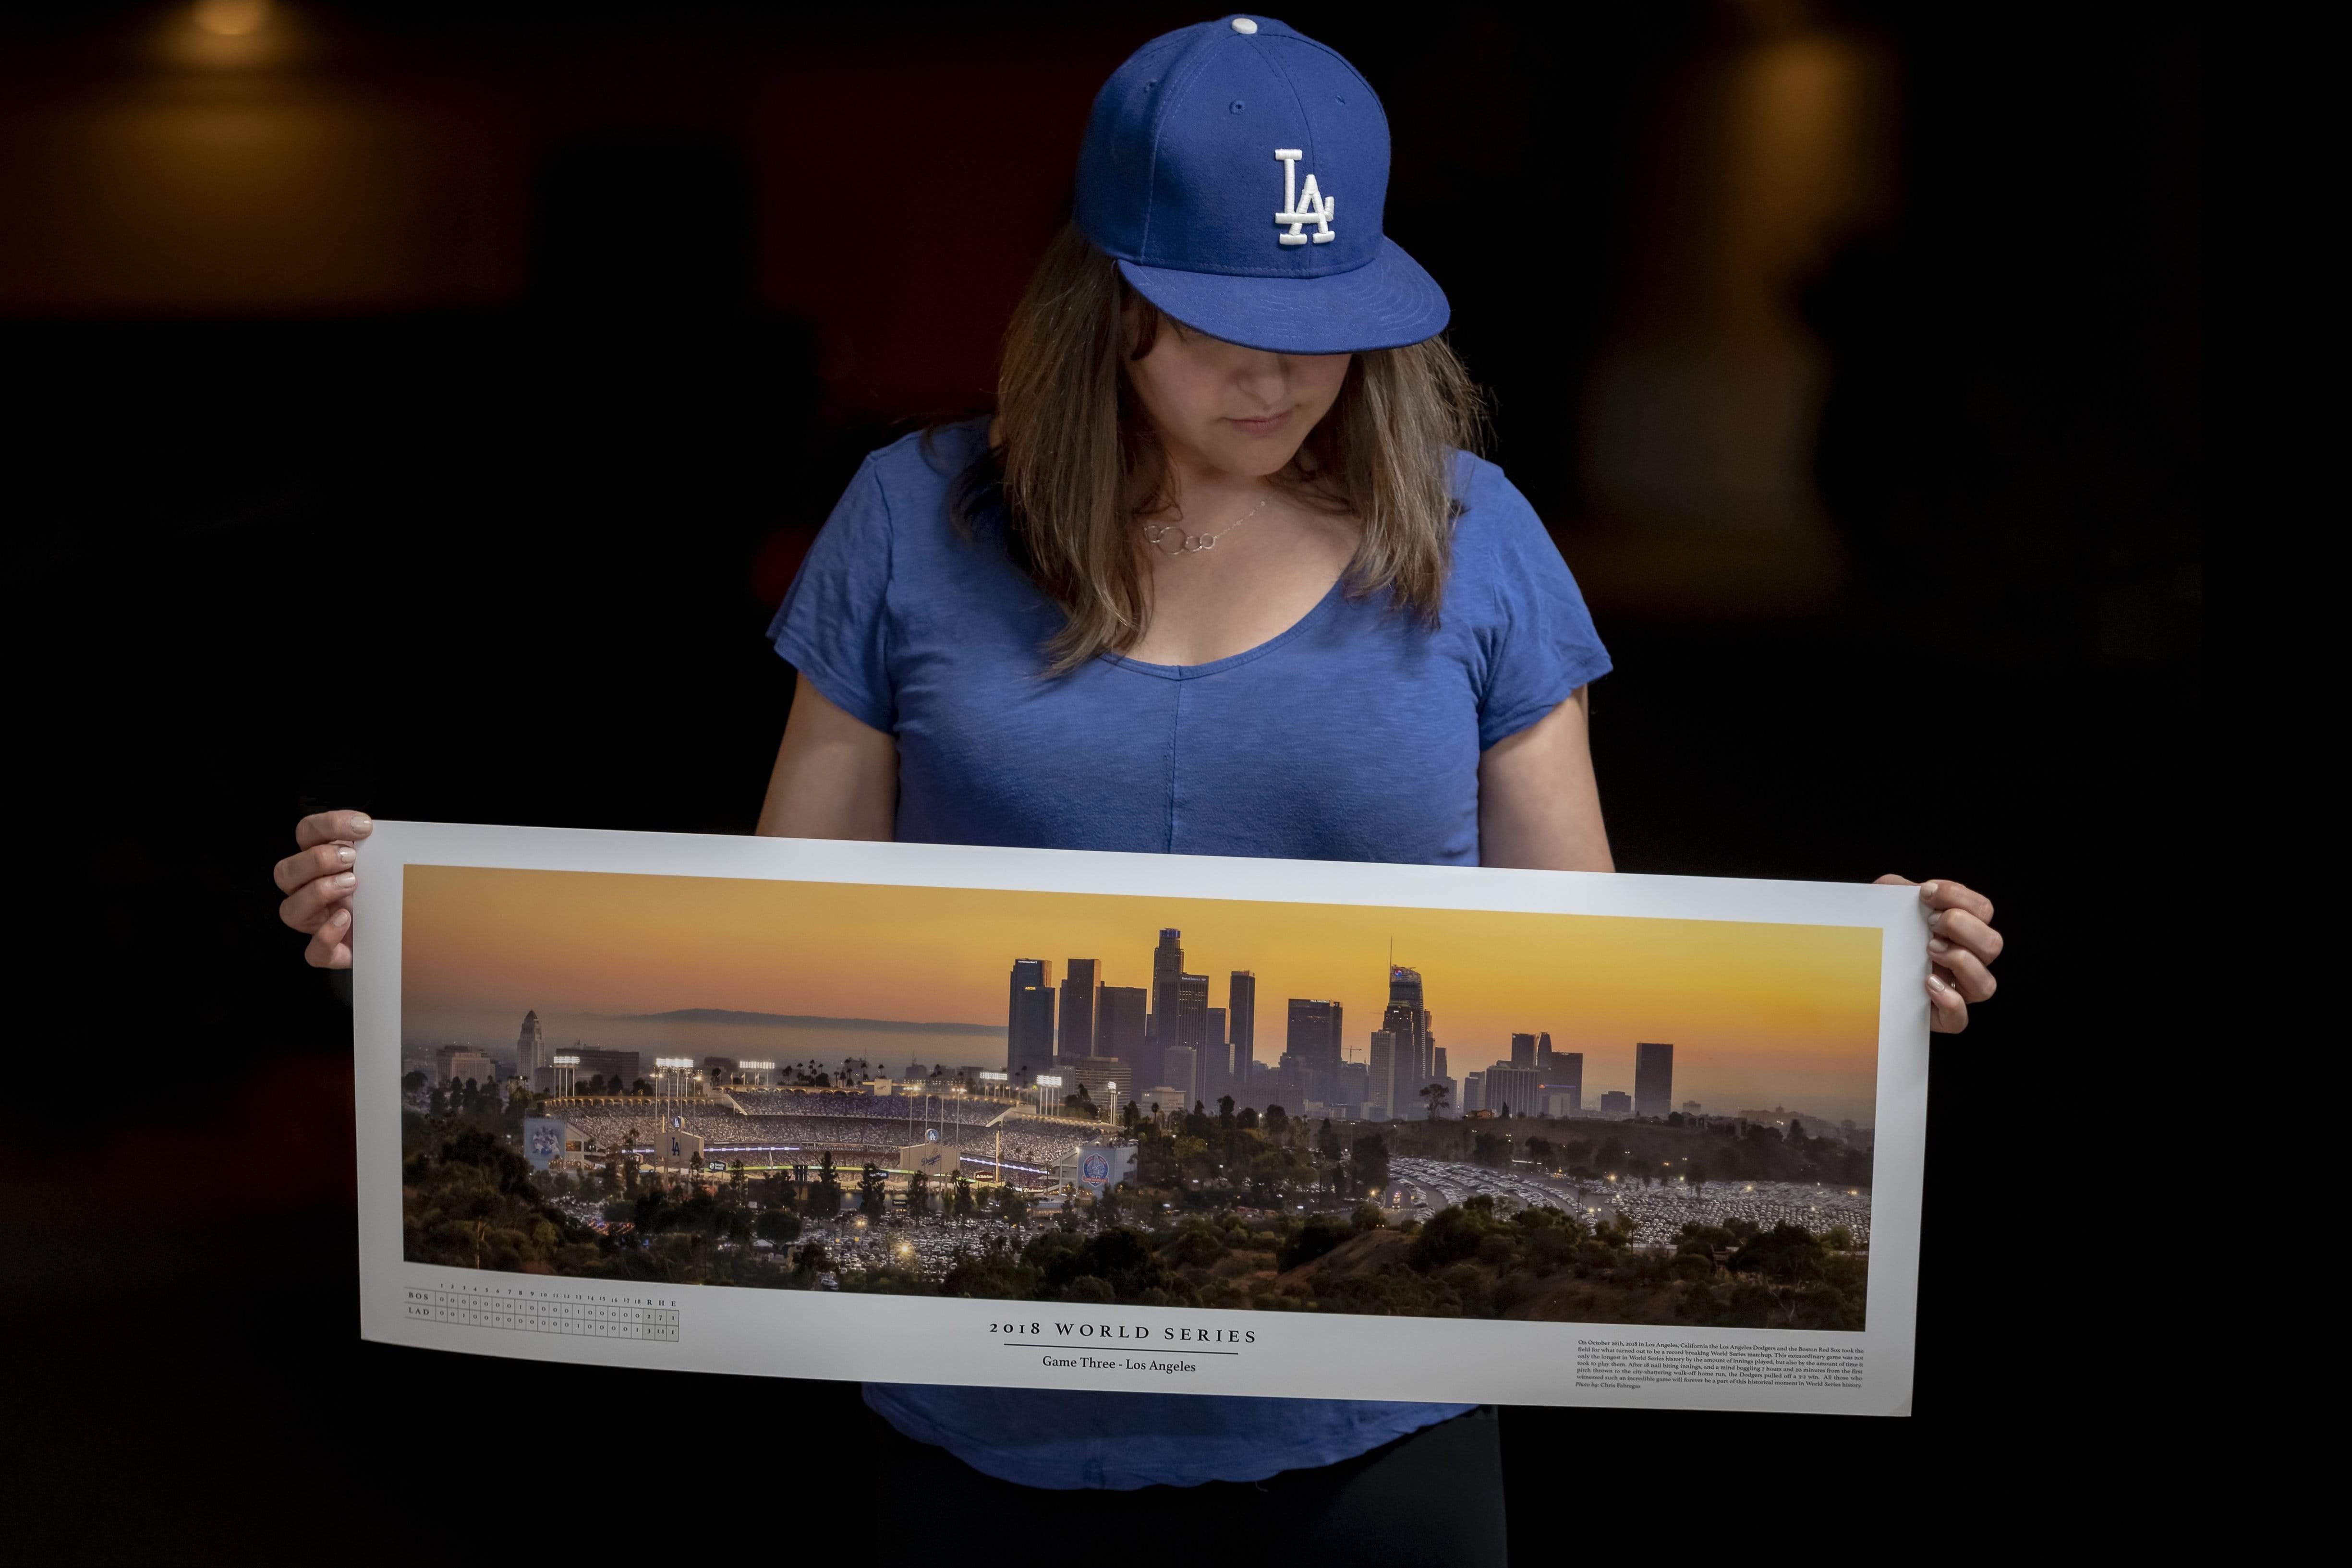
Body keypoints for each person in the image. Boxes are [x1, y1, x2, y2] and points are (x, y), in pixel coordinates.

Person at [273, 14, 2002, 1562]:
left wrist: (1833, 973)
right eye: (1222, 327)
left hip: (1379, 1422)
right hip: (976, 1413)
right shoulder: (912, 516)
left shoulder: (1477, 535)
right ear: (1103, 298)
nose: (1279, 378)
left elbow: (1584, 949)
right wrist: (429, 934)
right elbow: (783, 931)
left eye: (1323, 326)